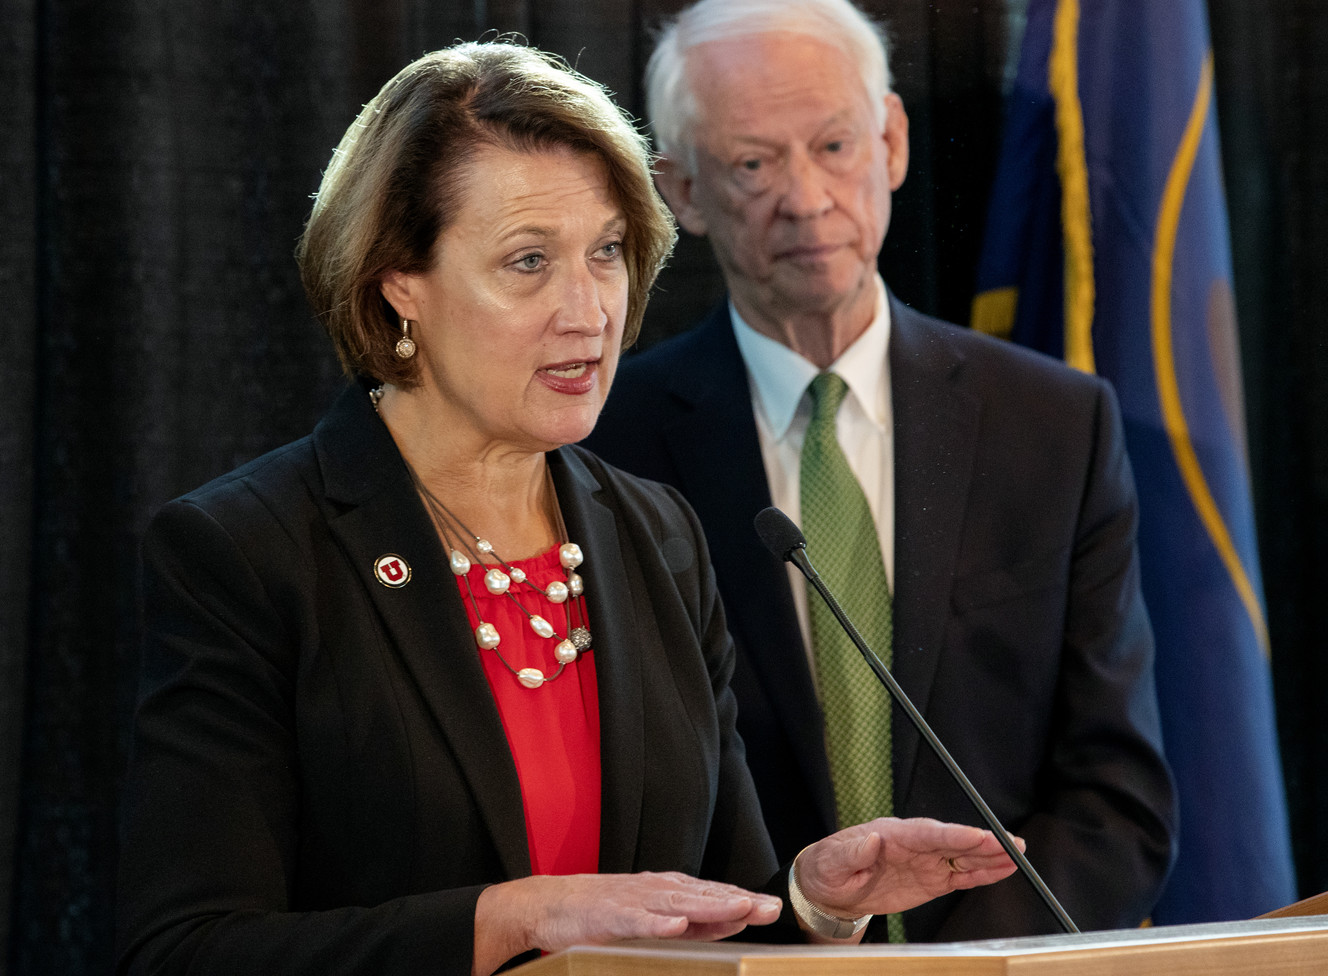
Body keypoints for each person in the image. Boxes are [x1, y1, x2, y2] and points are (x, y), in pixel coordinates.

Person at [115, 40, 1023, 976]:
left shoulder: (657, 536)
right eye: (528, 261)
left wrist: (811, 903)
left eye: (606, 252)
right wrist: (514, 918)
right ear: (399, 283)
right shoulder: (250, 553)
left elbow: (712, 916)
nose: (588, 311)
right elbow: (183, 951)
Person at [583, 0, 1177, 942]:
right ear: (681, 191)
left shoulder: (1056, 426)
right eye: (753, 164)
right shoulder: (605, 447)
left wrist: (965, 969)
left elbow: (1118, 798)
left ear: (892, 141)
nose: (807, 198)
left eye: (834, 146)